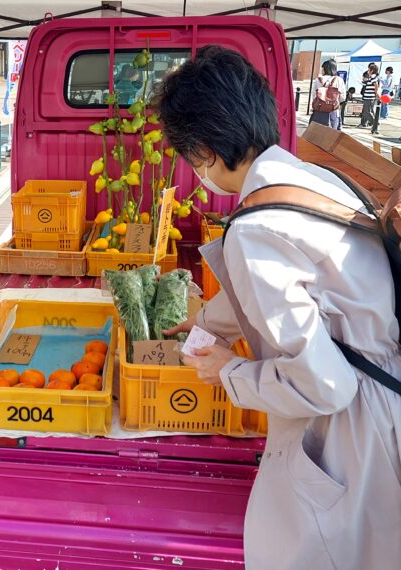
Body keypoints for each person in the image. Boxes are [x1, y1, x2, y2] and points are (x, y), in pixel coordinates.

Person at [153, 45, 401, 569]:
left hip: (353, 430)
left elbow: (325, 385)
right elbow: (316, 290)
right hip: (387, 392)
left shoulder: (256, 228)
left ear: (203, 152)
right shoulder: (313, 180)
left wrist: (231, 370)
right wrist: (203, 320)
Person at [309, 59, 346, 130]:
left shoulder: (318, 80)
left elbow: (314, 96)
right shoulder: (339, 80)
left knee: (316, 134)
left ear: (325, 69)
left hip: (319, 111)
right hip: (333, 112)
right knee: (332, 135)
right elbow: (342, 97)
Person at [359, 63, 379, 127]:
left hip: (369, 97)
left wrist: (376, 93)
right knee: (367, 111)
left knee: (367, 112)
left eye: (369, 69)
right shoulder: (371, 77)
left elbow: (376, 85)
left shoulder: (373, 76)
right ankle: (374, 123)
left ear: (371, 70)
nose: (368, 71)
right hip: (367, 96)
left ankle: (375, 123)